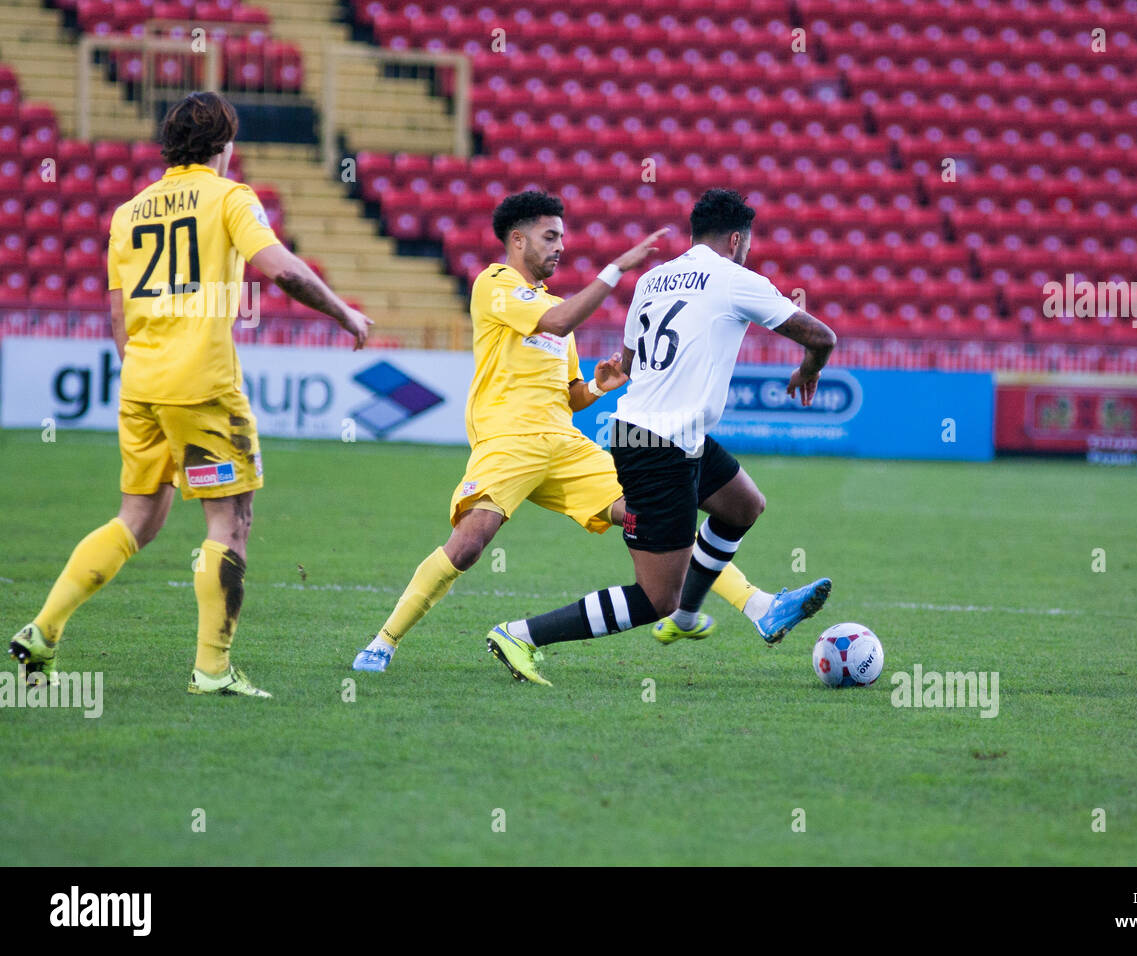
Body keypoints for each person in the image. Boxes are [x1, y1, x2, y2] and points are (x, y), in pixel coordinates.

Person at [352, 191, 830, 674]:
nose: (561, 246)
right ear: (516, 240)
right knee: (469, 544)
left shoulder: (557, 306)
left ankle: (755, 605)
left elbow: (570, 393)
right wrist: (615, 269)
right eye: (550, 236)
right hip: (508, 442)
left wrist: (597, 387)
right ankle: (383, 642)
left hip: (565, 445)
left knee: (663, 521)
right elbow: (559, 320)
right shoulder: (493, 284)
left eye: (562, 236)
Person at [6, 91, 373, 697]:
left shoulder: (129, 213)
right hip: (201, 385)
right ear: (225, 145)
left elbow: (117, 318)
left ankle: (43, 630)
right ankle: (212, 669)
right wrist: (344, 314)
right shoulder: (230, 197)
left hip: (141, 384)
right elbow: (281, 269)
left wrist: (148, 376)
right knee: (230, 520)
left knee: (137, 518)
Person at [485, 189, 837, 686]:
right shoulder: (736, 278)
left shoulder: (652, 280)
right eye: (749, 244)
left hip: (665, 434)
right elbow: (822, 336)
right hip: (658, 446)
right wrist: (809, 367)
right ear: (736, 240)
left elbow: (627, 362)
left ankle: (715, 616)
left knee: (743, 506)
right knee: (654, 598)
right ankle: (520, 633)